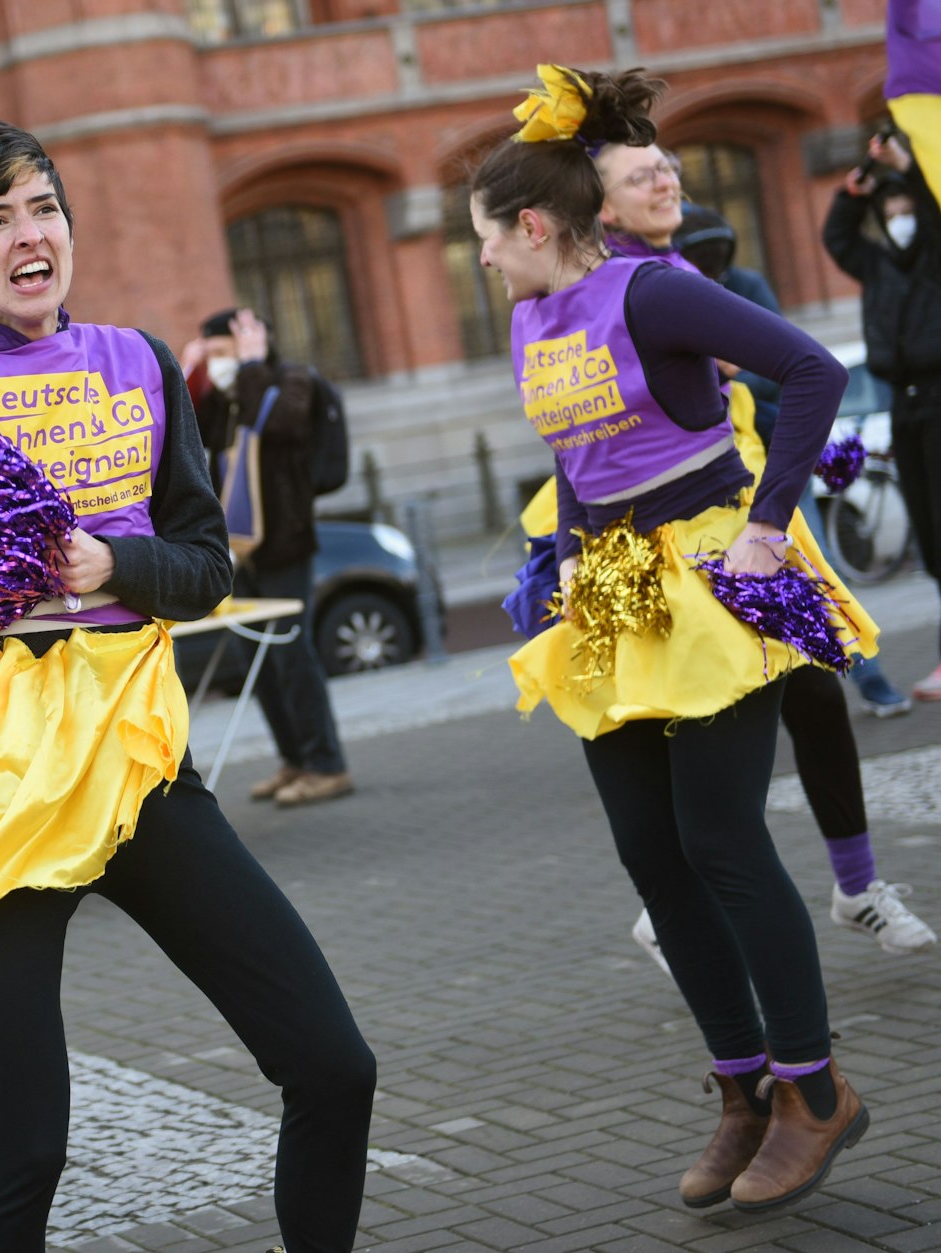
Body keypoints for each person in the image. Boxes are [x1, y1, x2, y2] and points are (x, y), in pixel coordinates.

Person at [0, 121, 375, 1253]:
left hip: (141, 761)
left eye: (41, 208)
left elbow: (204, 561)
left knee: (332, 1063)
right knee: (29, 1139)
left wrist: (117, 564)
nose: (27, 235)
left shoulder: (138, 359)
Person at [481, 67, 874, 1213]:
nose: (483, 260)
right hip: (605, 585)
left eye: (485, 239)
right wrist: (560, 550)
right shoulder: (530, 313)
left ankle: (815, 1087)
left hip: (703, 575)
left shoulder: (653, 289)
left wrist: (764, 525)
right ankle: (742, 1084)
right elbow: (572, 438)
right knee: (648, 848)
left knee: (717, 837)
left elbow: (811, 369)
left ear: (534, 225)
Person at [605, 191, 934, 957]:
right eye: (644, 171)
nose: (665, 182)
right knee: (722, 701)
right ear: (600, 199)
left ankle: (855, 886)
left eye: (670, 169)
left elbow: (775, 380)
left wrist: (797, 464)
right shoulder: (610, 291)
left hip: (749, 501)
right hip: (682, 529)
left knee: (814, 688)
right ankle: (679, 902)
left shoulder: (684, 274)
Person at [183, 308, 352, 806]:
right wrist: (193, 374)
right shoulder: (226, 398)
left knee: (292, 657)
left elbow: (277, 423)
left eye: (220, 354)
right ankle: (294, 760)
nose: (216, 363)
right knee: (254, 661)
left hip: (284, 542)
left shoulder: (289, 380)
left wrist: (253, 366)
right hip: (236, 549)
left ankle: (327, 765)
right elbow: (188, 435)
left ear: (247, 345)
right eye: (208, 355)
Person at [822, 132, 941, 701]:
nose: (899, 215)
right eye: (888, 207)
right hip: (906, 406)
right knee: (932, 540)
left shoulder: (935, 254)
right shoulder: (877, 265)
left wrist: (911, 165)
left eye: (906, 205)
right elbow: (836, 236)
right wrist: (855, 188)